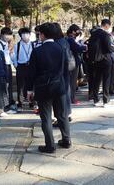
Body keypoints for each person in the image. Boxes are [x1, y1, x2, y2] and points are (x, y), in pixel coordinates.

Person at [27, 23, 71, 153]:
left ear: (43, 35)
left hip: (43, 87)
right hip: (59, 86)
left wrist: (30, 89)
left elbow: (32, 72)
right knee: (62, 115)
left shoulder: (37, 51)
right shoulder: (60, 48)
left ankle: (50, 145)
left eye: (39, 33)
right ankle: (66, 139)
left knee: (46, 117)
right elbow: (65, 70)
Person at [87, 19, 114, 106]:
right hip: (106, 59)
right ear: (107, 25)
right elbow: (109, 48)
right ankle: (105, 100)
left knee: (97, 80)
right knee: (106, 80)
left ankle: (95, 99)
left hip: (96, 60)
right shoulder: (105, 34)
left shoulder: (94, 34)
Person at [12, 27, 34, 109]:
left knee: (31, 85)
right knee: (20, 85)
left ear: (30, 34)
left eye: (27, 33)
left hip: (31, 66)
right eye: (23, 34)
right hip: (21, 66)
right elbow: (14, 57)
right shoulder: (17, 45)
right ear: (20, 35)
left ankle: (32, 102)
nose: (25, 35)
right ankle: (20, 102)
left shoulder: (32, 44)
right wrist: (16, 65)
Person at [66, 24, 87, 105]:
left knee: (73, 81)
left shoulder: (69, 39)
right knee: (72, 82)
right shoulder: (71, 39)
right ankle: (71, 98)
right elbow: (77, 48)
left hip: (73, 62)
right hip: (73, 62)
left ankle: (71, 97)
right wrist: (84, 47)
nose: (79, 33)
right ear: (73, 31)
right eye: (77, 31)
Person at [0, 27, 16, 113]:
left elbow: (11, 56)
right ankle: (4, 107)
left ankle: (8, 104)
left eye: (10, 35)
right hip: (2, 66)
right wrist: (9, 49)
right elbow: (2, 56)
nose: (9, 36)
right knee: (5, 86)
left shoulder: (7, 44)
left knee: (9, 86)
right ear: (2, 35)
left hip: (8, 66)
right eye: (7, 34)